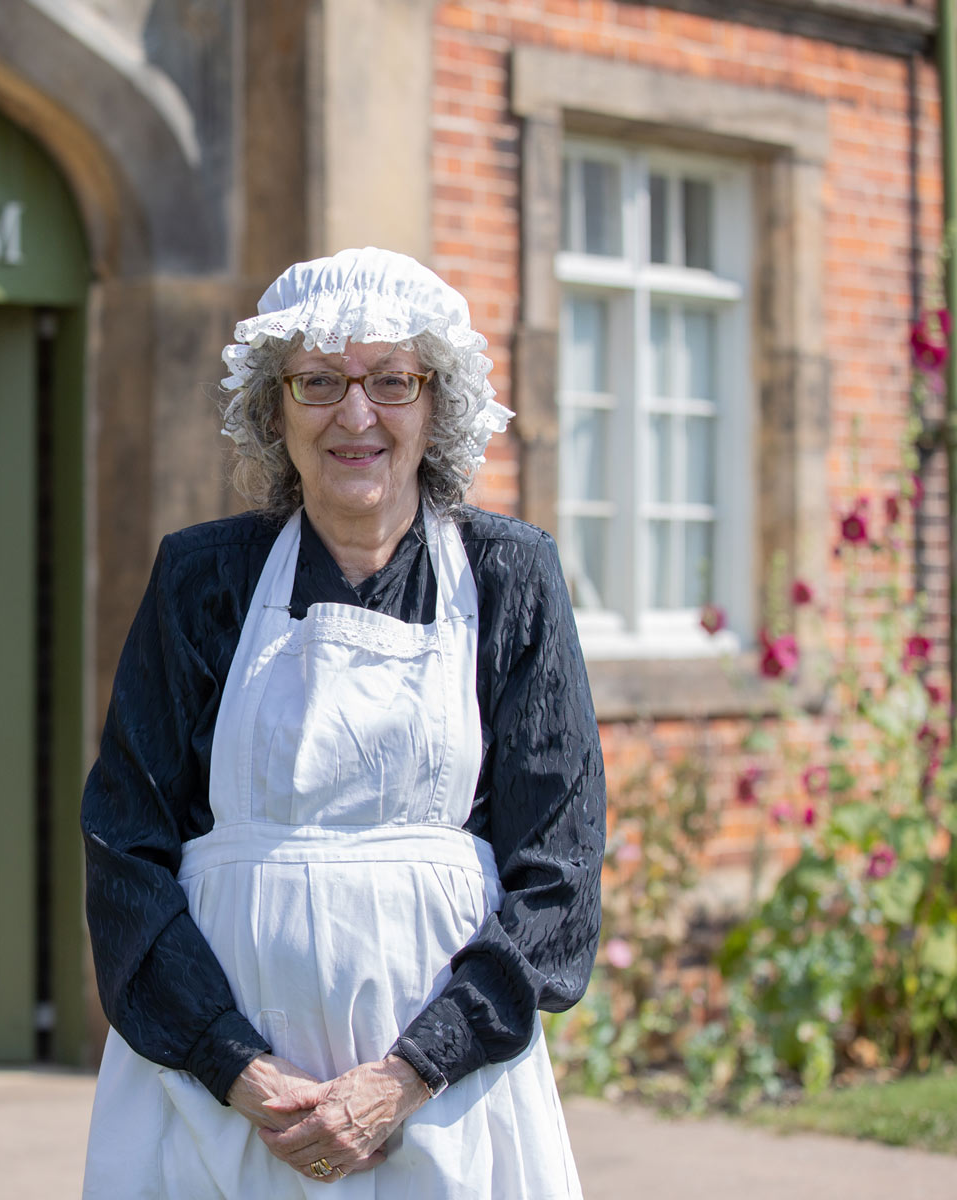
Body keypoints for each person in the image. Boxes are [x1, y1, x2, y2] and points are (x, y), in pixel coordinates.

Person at [80, 247, 605, 1198]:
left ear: (436, 403)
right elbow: (126, 853)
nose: (355, 415)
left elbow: (556, 882)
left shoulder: (508, 577)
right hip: (219, 1105)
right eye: (318, 381)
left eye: (391, 382)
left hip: (446, 1098)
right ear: (273, 408)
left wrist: (407, 1076)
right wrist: (239, 1069)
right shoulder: (203, 580)